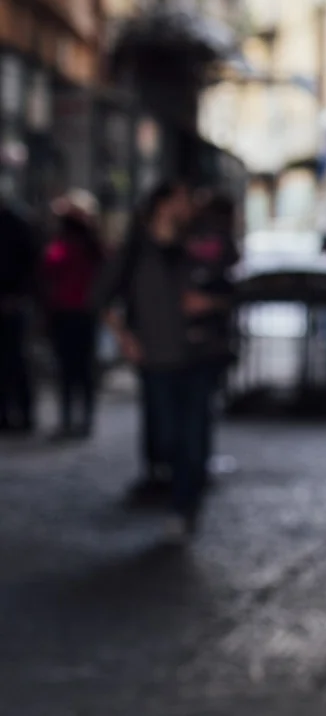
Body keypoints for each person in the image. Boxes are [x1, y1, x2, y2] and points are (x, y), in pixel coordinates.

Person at [99, 180, 225, 538]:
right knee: (167, 434)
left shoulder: (201, 244)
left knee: (193, 433)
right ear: (163, 204)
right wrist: (125, 337)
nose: (189, 207)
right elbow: (103, 295)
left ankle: (185, 503)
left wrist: (211, 303)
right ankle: (173, 484)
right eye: (183, 199)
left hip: (200, 353)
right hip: (157, 355)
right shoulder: (136, 250)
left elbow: (231, 290)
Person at [41, 191, 104, 438]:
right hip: (77, 313)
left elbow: (49, 269)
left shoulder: (66, 246)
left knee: (72, 369)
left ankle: (74, 419)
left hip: (71, 312)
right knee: (79, 369)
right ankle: (79, 419)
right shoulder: (88, 246)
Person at [0, 194, 39, 433]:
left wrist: (17, 297)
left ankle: (22, 414)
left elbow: (31, 265)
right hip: (13, 301)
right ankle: (10, 414)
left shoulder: (18, 225)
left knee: (17, 361)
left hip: (15, 303)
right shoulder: (18, 224)